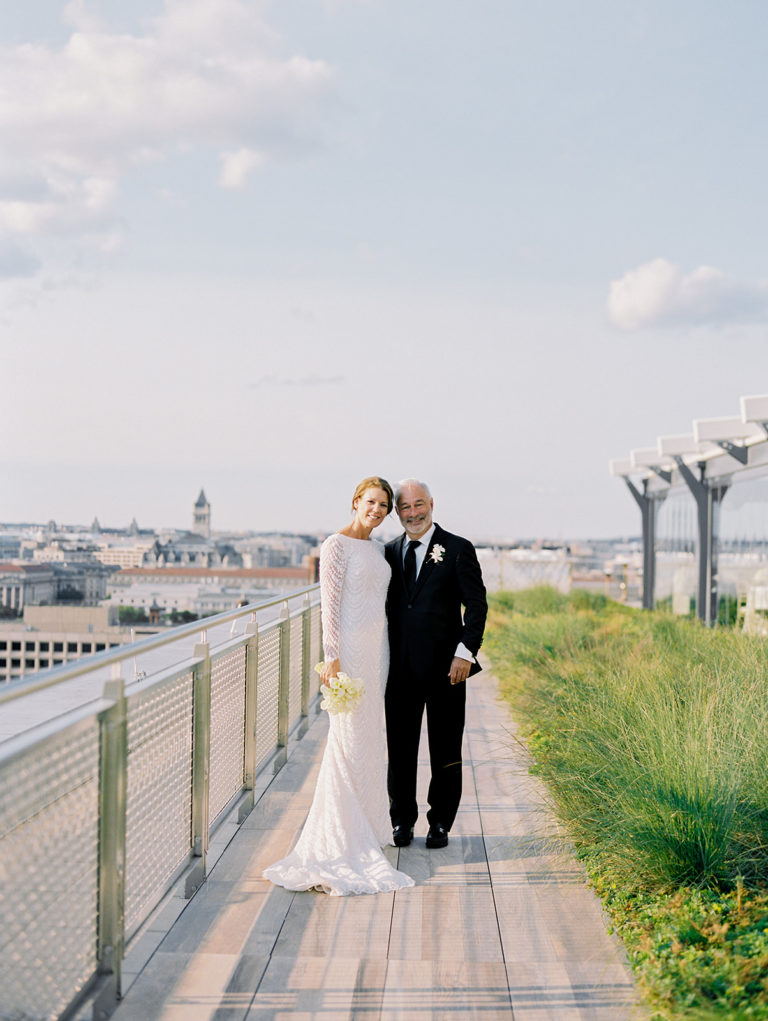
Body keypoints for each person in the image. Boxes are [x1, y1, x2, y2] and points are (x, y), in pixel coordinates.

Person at [263, 476, 414, 896]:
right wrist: (332, 657)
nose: (378, 510)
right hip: (347, 652)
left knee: (369, 740)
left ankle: (366, 824)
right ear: (355, 502)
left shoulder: (380, 549)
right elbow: (329, 605)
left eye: (384, 505)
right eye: (371, 502)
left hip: (376, 653)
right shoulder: (335, 546)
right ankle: (339, 839)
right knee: (345, 742)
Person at [384, 479, 488, 849]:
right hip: (398, 672)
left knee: (445, 749)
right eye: (405, 507)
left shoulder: (458, 549)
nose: (413, 513)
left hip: (447, 671)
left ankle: (440, 821)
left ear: (432, 504)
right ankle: (402, 821)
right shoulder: (388, 552)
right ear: (397, 513)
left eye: (418, 504)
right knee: (400, 751)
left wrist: (465, 652)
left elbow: (476, 606)